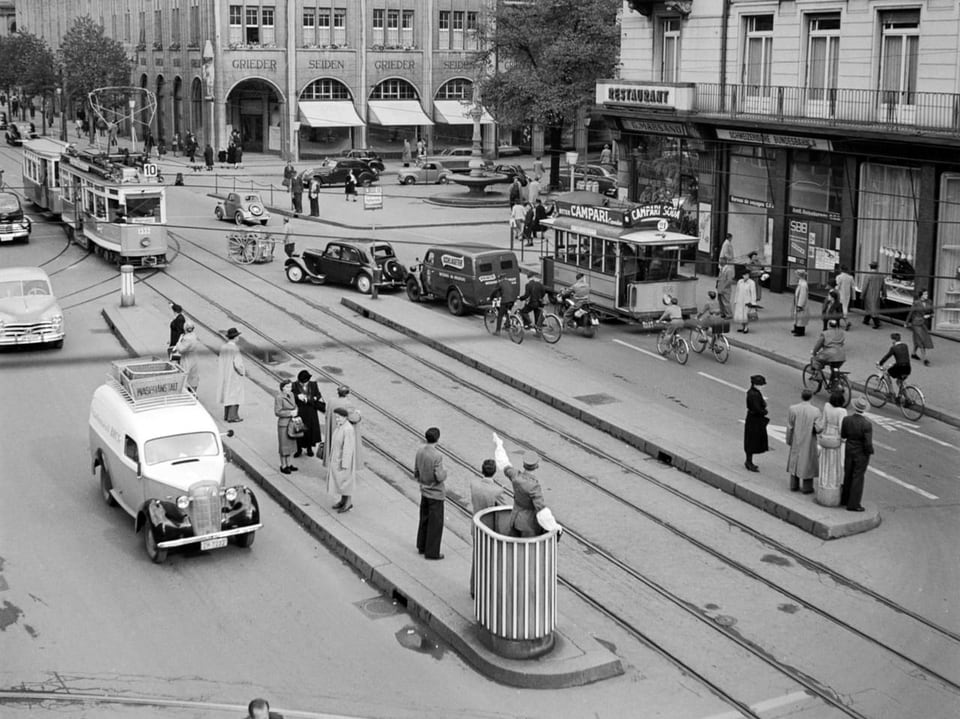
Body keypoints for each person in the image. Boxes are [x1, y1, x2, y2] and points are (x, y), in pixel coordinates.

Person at [469, 452, 510, 598]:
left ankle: (474, 588)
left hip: (476, 527)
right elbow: (504, 510)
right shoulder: (497, 491)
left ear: (482, 470)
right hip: (489, 530)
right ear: (494, 472)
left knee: (477, 559)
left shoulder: (474, 485)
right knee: (490, 562)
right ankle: (486, 591)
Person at [414, 427, 447, 559]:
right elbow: (439, 476)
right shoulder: (437, 456)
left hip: (424, 490)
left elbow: (416, 470)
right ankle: (432, 552)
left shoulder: (420, 450)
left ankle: (421, 546)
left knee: (424, 519)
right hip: (436, 493)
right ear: (437, 439)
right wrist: (445, 473)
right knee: (435, 523)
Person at [840, 398, 874, 512]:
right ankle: (853, 503)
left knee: (848, 474)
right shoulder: (867, 424)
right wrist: (869, 451)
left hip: (849, 449)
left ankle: (844, 499)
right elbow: (868, 443)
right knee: (858, 477)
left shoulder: (847, 420)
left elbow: (843, 435)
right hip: (861, 453)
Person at [814, 391, 846, 507]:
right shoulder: (842, 411)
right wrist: (844, 440)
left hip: (825, 436)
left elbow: (822, 422)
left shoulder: (827, 406)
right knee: (834, 465)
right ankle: (833, 489)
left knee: (824, 462)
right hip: (835, 438)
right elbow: (842, 428)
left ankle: (823, 487)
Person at [786, 389, 820, 494]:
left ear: (801, 396)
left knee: (795, 460)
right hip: (809, 440)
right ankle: (807, 487)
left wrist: (789, 439)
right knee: (807, 462)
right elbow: (819, 428)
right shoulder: (815, 411)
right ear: (811, 397)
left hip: (796, 438)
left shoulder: (793, 409)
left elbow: (790, 426)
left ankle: (793, 485)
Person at [327, 407, 357, 513]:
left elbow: (348, 448)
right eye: (336, 417)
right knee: (341, 483)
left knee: (345, 483)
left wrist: (345, 464)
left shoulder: (348, 429)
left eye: (339, 417)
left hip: (344, 461)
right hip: (337, 459)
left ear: (345, 417)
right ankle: (343, 501)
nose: (337, 420)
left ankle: (348, 503)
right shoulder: (341, 426)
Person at [292, 370, 324, 458]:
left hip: (311, 411)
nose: (303, 384)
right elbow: (290, 395)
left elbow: (318, 395)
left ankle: (309, 448)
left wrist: (314, 397)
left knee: (310, 430)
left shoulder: (313, 384)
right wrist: (297, 396)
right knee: (299, 429)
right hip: (300, 411)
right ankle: (299, 449)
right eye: (301, 382)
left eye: (304, 382)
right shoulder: (294, 385)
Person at [216, 328, 245, 422]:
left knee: (227, 393)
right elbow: (238, 364)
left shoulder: (224, 347)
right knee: (234, 395)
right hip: (233, 375)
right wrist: (242, 372)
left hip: (225, 373)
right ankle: (232, 416)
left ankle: (227, 414)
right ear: (235, 337)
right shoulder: (235, 348)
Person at [743, 375, 769, 472]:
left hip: (754, 418)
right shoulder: (754, 394)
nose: (762, 386)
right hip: (754, 419)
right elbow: (757, 408)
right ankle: (748, 462)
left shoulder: (754, 392)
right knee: (751, 440)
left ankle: (749, 461)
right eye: (761, 385)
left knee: (752, 440)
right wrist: (764, 411)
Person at [323, 385, 352, 468]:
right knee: (341, 450)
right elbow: (352, 417)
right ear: (347, 394)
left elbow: (327, 414)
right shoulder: (348, 403)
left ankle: (330, 466)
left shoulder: (331, 401)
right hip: (341, 430)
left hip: (331, 429)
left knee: (331, 448)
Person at [274, 380, 299, 474]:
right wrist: (290, 413)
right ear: (283, 388)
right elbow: (277, 412)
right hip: (284, 424)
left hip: (292, 422)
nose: (290, 389)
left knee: (290, 445)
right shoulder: (279, 397)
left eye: (290, 387)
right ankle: (283, 465)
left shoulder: (291, 394)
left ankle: (289, 464)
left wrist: (296, 410)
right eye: (288, 387)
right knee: (284, 446)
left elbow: (295, 405)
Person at [811, 319, 847, 384]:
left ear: (829, 325)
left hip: (829, 354)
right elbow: (842, 343)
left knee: (815, 360)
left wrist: (814, 352)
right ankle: (834, 384)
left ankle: (818, 376)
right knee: (834, 368)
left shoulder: (825, 333)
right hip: (841, 356)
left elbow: (818, 345)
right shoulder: (841, 333)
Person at [905, 289, 934, 366]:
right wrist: (906, 322)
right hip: (916, 323)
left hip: (923, 323)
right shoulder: (916, 303)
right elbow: (911, 313)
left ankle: (913, 353)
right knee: (921, 340)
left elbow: (932, 312)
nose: (926, 296)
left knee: (918, 339)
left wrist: (930, 315)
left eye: (927, 294)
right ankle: (925, 360)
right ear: (921, 295)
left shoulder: (929, 302)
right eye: (925, 294)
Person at [173, 322, 201, 394]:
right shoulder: (194, 336)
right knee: (194, 376)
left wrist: (179, 341)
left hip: (187, 358)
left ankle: (185, 393)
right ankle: (194, 392)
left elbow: (181, 349)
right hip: (194, 358)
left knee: (185, 375)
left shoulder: (186, 339)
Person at [860, 261, 885, 329]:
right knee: (872, 308)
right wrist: (884, 294)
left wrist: (862, 295)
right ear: (877, 267)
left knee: (870, 308)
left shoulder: (868, 275)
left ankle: (876, 323)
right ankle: (866, 320)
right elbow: (883, 286)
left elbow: (865, 286)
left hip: (869, 294)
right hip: (877, 294)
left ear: (870, 266)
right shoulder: (881, 276)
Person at [792, 269, 810, 336]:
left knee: (801, 318)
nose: (795, 276)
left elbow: (803, 295)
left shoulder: (803, 284)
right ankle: (796, 328)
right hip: (797, 302)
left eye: (796, 275)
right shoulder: (801, 282)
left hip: (801, 305)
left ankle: (800, 332)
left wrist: (800, 305)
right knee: (798, 317)